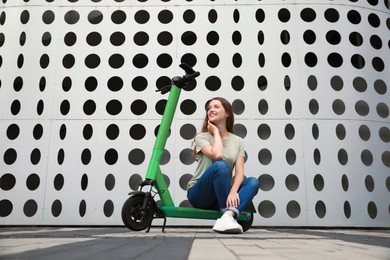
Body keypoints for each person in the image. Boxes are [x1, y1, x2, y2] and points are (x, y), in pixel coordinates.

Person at [187, 97, 259, 234]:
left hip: (223, 193)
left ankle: (227, 216)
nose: (211, 110)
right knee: (221, 165)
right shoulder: (202, 137)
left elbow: (239, 173)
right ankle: (229, 213)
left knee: (253, 182)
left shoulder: (238, 141)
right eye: (209, 108)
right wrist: (215, 133)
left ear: (227, 113)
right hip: (200, 194)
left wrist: (233, 192)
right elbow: (218, 155)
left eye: (216, 107)